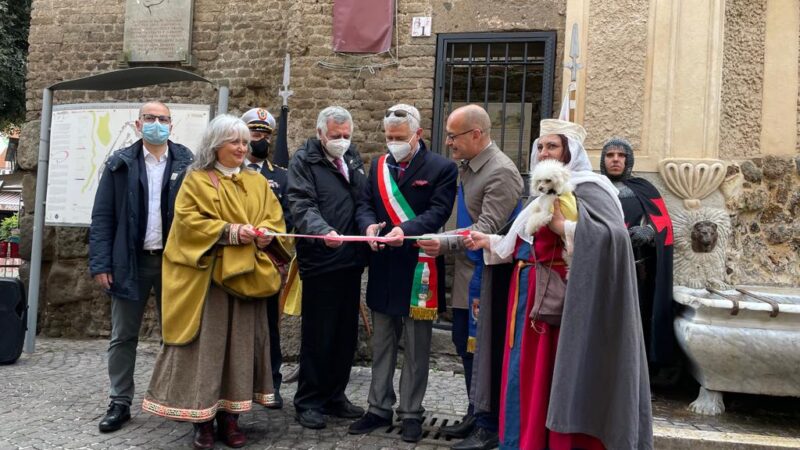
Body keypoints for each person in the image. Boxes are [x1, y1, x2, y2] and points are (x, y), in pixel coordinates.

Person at [464, 119, 653, 450]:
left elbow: (616, 239)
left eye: (552, 146)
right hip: (526, 298)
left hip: (564, 305)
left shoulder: (593, 188)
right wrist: (490, 241)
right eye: (540, 146)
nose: (543, 152)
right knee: (525, 376)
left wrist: (564, 226)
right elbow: (520, 241)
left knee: (554, 377)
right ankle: (523, 442)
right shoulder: (540, 191)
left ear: (570, 151)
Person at [141, 115, 290, 450]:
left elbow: (274, 218)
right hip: (209, 282)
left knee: (239, 350)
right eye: (233, 142)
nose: (241, 148)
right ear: (215, 146)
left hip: (247, 279)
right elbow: (187, 223)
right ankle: (202, 421)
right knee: (206, 351)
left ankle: (231, 418)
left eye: (244, 142)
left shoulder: (256, 182)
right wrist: (228, 231)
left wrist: (268, 237)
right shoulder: (196, 181)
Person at [349, 104, 457, 442]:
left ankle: (411, 412)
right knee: (381, 343)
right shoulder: (379, 165)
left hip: (418, 268)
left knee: (416, 346)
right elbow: (365, 203)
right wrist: (368, 227)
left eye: (400, 138)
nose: (393, 143)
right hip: (383, 265)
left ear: (418, 134)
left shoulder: (442, 167)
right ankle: (377, 406)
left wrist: (405, 229)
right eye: (389, 137)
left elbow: (439, 211)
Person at [417, 104, 523, 449]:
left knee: (484, 352)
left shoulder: (500, 172)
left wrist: (443, 242)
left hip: (488, 279)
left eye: (453, 136)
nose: (448, 142)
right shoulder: (468, 167)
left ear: (476, 134)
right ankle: (476, 412)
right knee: (465, 347)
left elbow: (487, 227)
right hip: (467, 274)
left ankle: (490, 425)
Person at [88, 101, 194, 433]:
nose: (157, 124)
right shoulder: (119, 164)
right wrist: (102, 262)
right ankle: (120, 401)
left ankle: (176, 398)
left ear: (171, 126)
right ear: (138, 123)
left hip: (175, 264)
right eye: (150, 118)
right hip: (129, 262)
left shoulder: (188, 163)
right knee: (123, 336)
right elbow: (103, 217)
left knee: (178, 335)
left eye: (163, 119)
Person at [287, 106, 368, 430]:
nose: (342, 141)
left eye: (347, 135)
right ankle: (309, 401)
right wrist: (323, 232)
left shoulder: (352, 157)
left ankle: (336, 395)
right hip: (320, 260)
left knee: (345, 336)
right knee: (319, 335)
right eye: (336, 136)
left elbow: (361, 198)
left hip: (351, 259)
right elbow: (301, 204)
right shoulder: (304, 161)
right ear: (321, 134)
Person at [600, 137, 676, 382]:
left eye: (621, 156)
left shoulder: (644, 188)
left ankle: (634, 375)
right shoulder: (594, 187)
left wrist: (650, 232)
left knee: (636, 320)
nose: (615, 159)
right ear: (603, 160)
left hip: (637, 269)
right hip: (601, 267)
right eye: (610, 155)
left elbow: (663, 225)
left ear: (628, 160)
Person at [241, 107, 292, 408]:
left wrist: (278, 253)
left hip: (269, 262)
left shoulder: (282, 177)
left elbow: (288, 219)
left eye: (265, 134)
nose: (259, 138)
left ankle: (271, 383)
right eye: (254, 132)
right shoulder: (230, 172)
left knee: (270, 325)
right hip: (235, 259)